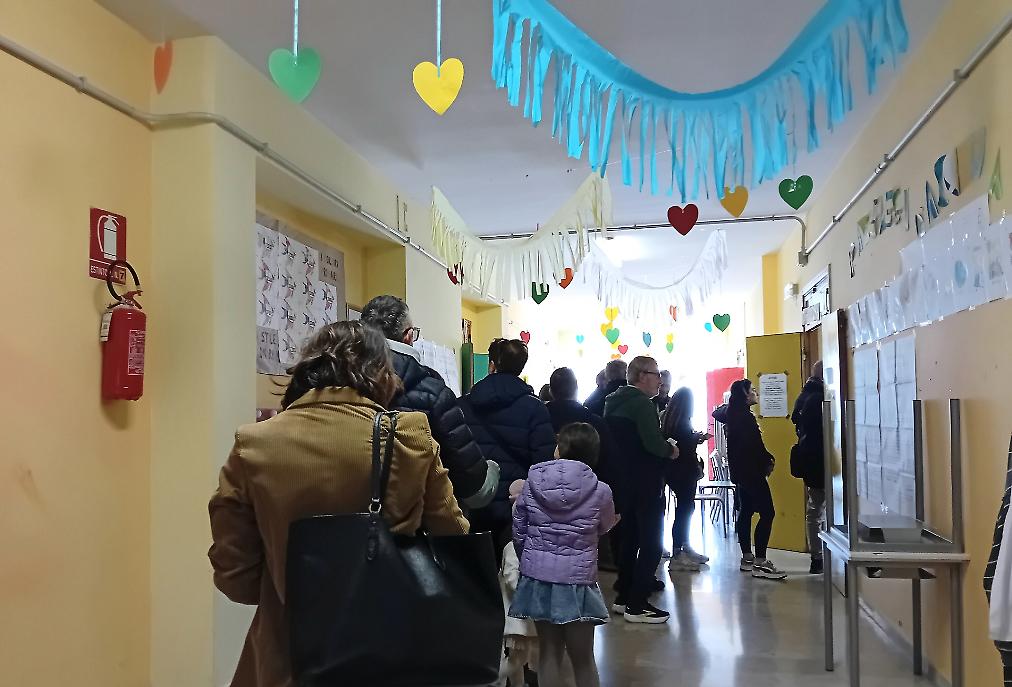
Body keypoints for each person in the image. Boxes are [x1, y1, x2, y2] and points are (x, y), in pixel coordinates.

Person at [208, 321, 469, 687]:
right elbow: (454, 542)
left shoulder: (254, 444)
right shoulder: (408, 437)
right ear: (381, 373)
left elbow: (235, 577)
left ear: (308, 367)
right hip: (390, 655)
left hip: (287, 660)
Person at [360, 295, 498, 510]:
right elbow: (474, 486)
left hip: (346, 515)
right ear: (408, 337)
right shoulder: (434, 392)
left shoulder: (336, 380)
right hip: (417, 516)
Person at [510, 423, 618, 687]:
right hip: (578, 583)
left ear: (559, 449)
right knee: (583, 658)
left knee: (548, 653)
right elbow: (604, 526)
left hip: (539, 581)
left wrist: (530, 561)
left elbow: (519, 529)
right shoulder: (601, 490)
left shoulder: (532, 483)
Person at [461, 338, 556, 557]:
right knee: (512, 568)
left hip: (474, 500)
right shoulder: (535, 408)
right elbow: (543, 463)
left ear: (491, 365)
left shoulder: (463, 404)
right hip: (516, 502)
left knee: (477, 567)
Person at [605, 356, 676, 623]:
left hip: (624, 481)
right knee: (652, 543)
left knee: (630, 539)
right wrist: (671, 450)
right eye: (656, 374)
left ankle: (624, 596)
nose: (660, 380)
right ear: (641, 376)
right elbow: (653, 444)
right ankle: (637, 604)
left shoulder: (612, 402)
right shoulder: (642, 404)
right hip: (646, 482)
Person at [712, 379, 787, 581]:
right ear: (745, 395)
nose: (756, 393)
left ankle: (747, 557)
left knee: (745, 512)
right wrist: (768, 460)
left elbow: (718, 412)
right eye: (752, 390)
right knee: (767, 513)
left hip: (741, 472)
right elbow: (753, 446)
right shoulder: (744, 418)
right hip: (752, 472)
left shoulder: (733, 414)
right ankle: (760, 561)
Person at [662, 387, 713, 572]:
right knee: (684, 511)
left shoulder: (669, 420)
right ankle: (678, 552)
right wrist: (696, 439)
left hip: (673, 472)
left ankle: (684, 546)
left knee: (685, 509)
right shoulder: (683, 423)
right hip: (684, 471)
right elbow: (685, 447)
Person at [498, 480, 539, 687]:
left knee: (521, 658)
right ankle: (495, 679)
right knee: (517, 659)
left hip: (524, 616)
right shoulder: (512, 547)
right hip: (518, 617)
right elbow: (511, 577)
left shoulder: (526, 546)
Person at [791, 361, 827, 575]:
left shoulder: (803, 396)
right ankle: (822, 556)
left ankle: (817, 557)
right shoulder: (820, 397)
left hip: (810, 461)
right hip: (824, 460)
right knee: (822, 510)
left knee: (814, 510)